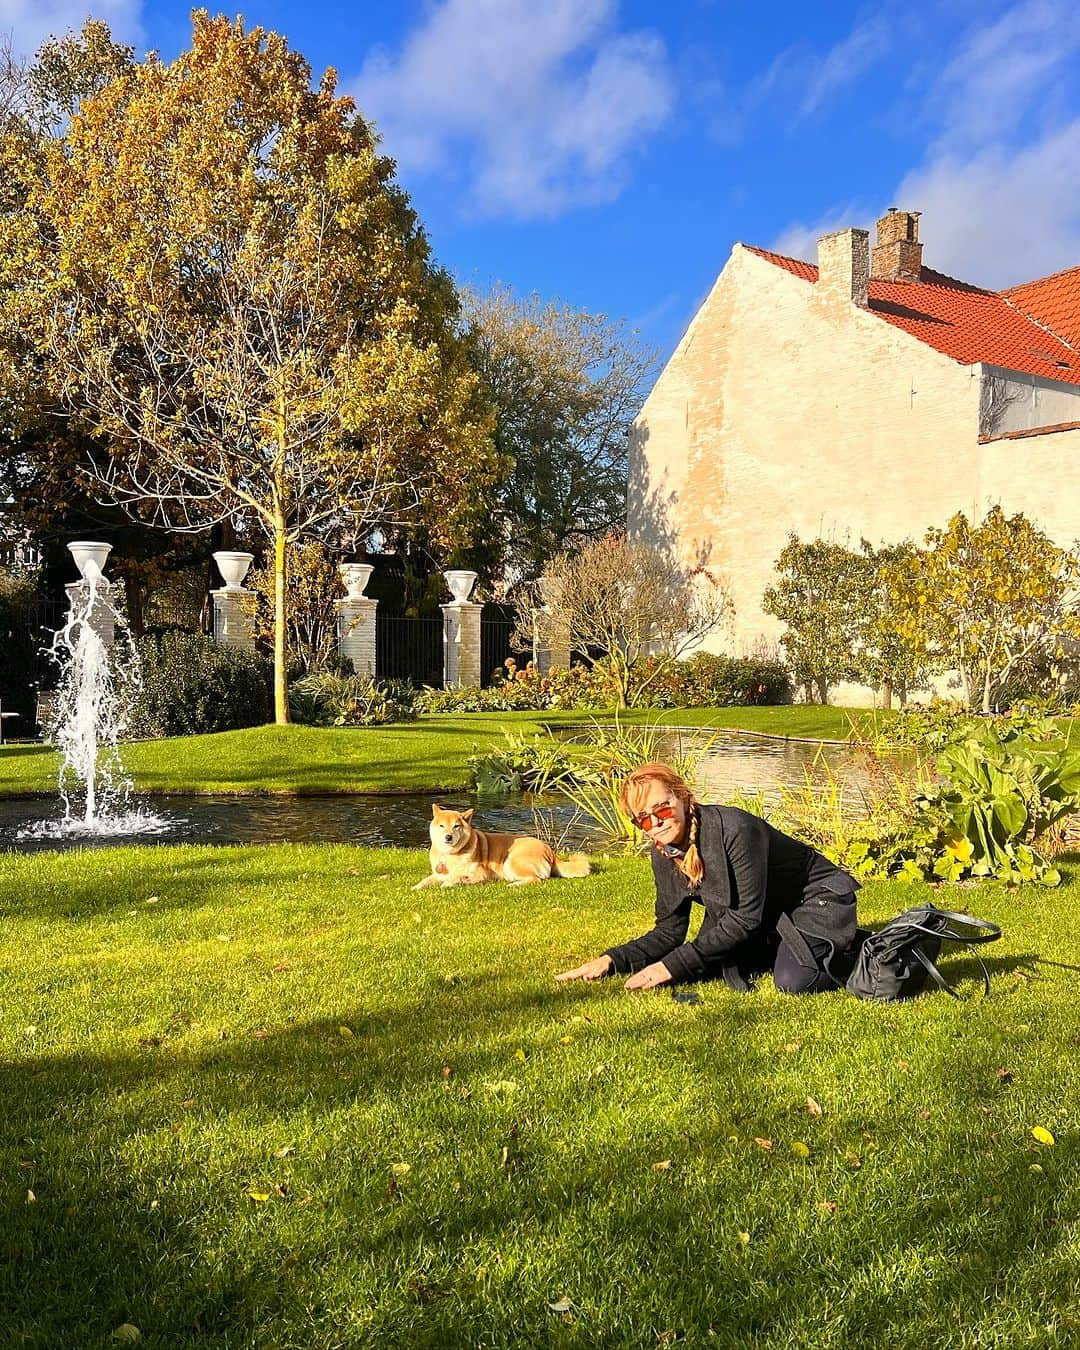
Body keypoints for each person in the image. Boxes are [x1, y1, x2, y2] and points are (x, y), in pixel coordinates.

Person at [556, 762, 860, 994]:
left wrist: (670, 966)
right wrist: (611, 960)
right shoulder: (663, 851)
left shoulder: (736, 830)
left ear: (685, 799)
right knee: (711, 964)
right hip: (769, 912)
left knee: (794, 980)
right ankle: (792, 945)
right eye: (645, 819)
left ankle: (853, 947)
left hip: (815, 898)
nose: (656, 823)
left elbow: (743, 920)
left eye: (661, 808)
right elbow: (669, 931)